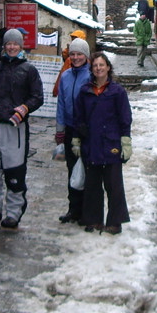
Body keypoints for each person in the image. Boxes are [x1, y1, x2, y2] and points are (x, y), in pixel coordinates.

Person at [0, 28, 43, 229]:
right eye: (8, 44)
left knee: (14, 171)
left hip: (15, 127)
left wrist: (24, 108)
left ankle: (14, 213)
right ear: (4, 46)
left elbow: (37, 97)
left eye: (15, 44)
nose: (12, 47)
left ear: (21, 46)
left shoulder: (29, 70)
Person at [71, 52, 132, 234]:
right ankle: (93, 219)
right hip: (92, 142)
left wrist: (126, 141)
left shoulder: (117, 92)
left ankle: (115, 221)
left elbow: (125, 118)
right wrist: (76, 138)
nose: (98, 68)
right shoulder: (85, 91)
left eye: (101, 65)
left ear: (108, 68)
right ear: (92, 69)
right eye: (95, 66)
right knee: (93, 184)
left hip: (111, 142)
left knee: (113, 184)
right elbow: (78, 116)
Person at [54, 37, 91, 224]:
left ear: (86, 56)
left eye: (79, 54)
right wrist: (59, 130)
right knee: (72, 169)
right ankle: (73, 209)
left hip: (86, 132)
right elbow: (61, 103)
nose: (76, 57)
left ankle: (86, 211)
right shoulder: (66, 76)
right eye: (73, 54)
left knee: (86, 169)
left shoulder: (91, 76)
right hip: (69, 129)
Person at [53, 29, 87, 96]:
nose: (75, 57)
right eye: (73, 39)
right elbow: (63, 74)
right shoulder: (68, 58)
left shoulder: (88, 61)